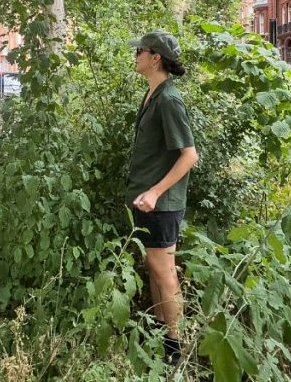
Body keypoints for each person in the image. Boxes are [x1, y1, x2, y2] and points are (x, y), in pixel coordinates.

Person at [125, 30, 198, 365]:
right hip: (146, 200)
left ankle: (175, 348)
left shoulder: (169, 100)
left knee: (164, 271)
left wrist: (155, 192)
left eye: (140, 51)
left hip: (161, 203)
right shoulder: (153, 94)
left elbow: (189, 156)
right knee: (154, 268)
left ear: (155, 58)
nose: (135, 55)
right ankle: (160, 330)